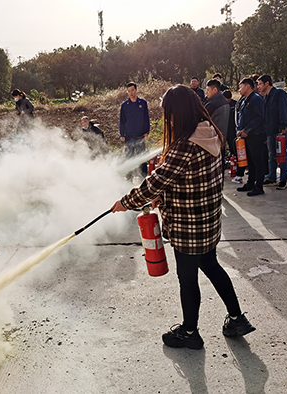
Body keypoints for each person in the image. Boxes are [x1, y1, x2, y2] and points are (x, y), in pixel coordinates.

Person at [111, 85, 255, 350]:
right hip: (208, 222)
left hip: (188, 225)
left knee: (187, 280)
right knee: (211, 266)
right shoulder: (209, 131)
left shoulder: (186, 144)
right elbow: (190, 178)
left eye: (169, 114)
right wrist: (162, 197)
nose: (170, 120)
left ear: (178, 113)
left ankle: (190, 332)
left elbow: (156, 181)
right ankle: (237, 318)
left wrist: (125, 202)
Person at [257, 75, 287, 190]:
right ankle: (272, 178)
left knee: (282, 155)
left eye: (260, 84)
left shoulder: (279, 94)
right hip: (270, 131)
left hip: (280, 130)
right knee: (272, 156)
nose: (258, 86)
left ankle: (283, 180)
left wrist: (283, 125)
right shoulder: (266, 97)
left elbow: (284, 109)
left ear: (267, 83)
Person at [236, 78, 267, 196]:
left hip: (256, 135)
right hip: (246, 135)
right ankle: (250, 183)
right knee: (250, 161)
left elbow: (259, 117)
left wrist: (247, 130)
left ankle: (259, 186)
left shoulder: (256, 99)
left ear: (248, 86)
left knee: (258, 161)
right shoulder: (245, 100)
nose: (239, 89)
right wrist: (240, 130)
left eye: (241, 86)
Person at [119, 82, 150, 164]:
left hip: (140, 135)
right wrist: (122, 134)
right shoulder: (124, 105)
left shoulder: (143, 103)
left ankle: (143, 176)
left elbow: (146, 118)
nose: (131, 93)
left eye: (132, 90)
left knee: (141, 158)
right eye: (129, 91)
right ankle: (129, 177)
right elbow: (122, 120)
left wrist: (146, 131)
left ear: (136, 90)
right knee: (129, 158)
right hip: (129, 136)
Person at [224, 90, 238, 159]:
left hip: (232, 127)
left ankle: (234, 157)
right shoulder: (222, 104)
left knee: (232, 145)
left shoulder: (235, 103)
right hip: (224, 127)